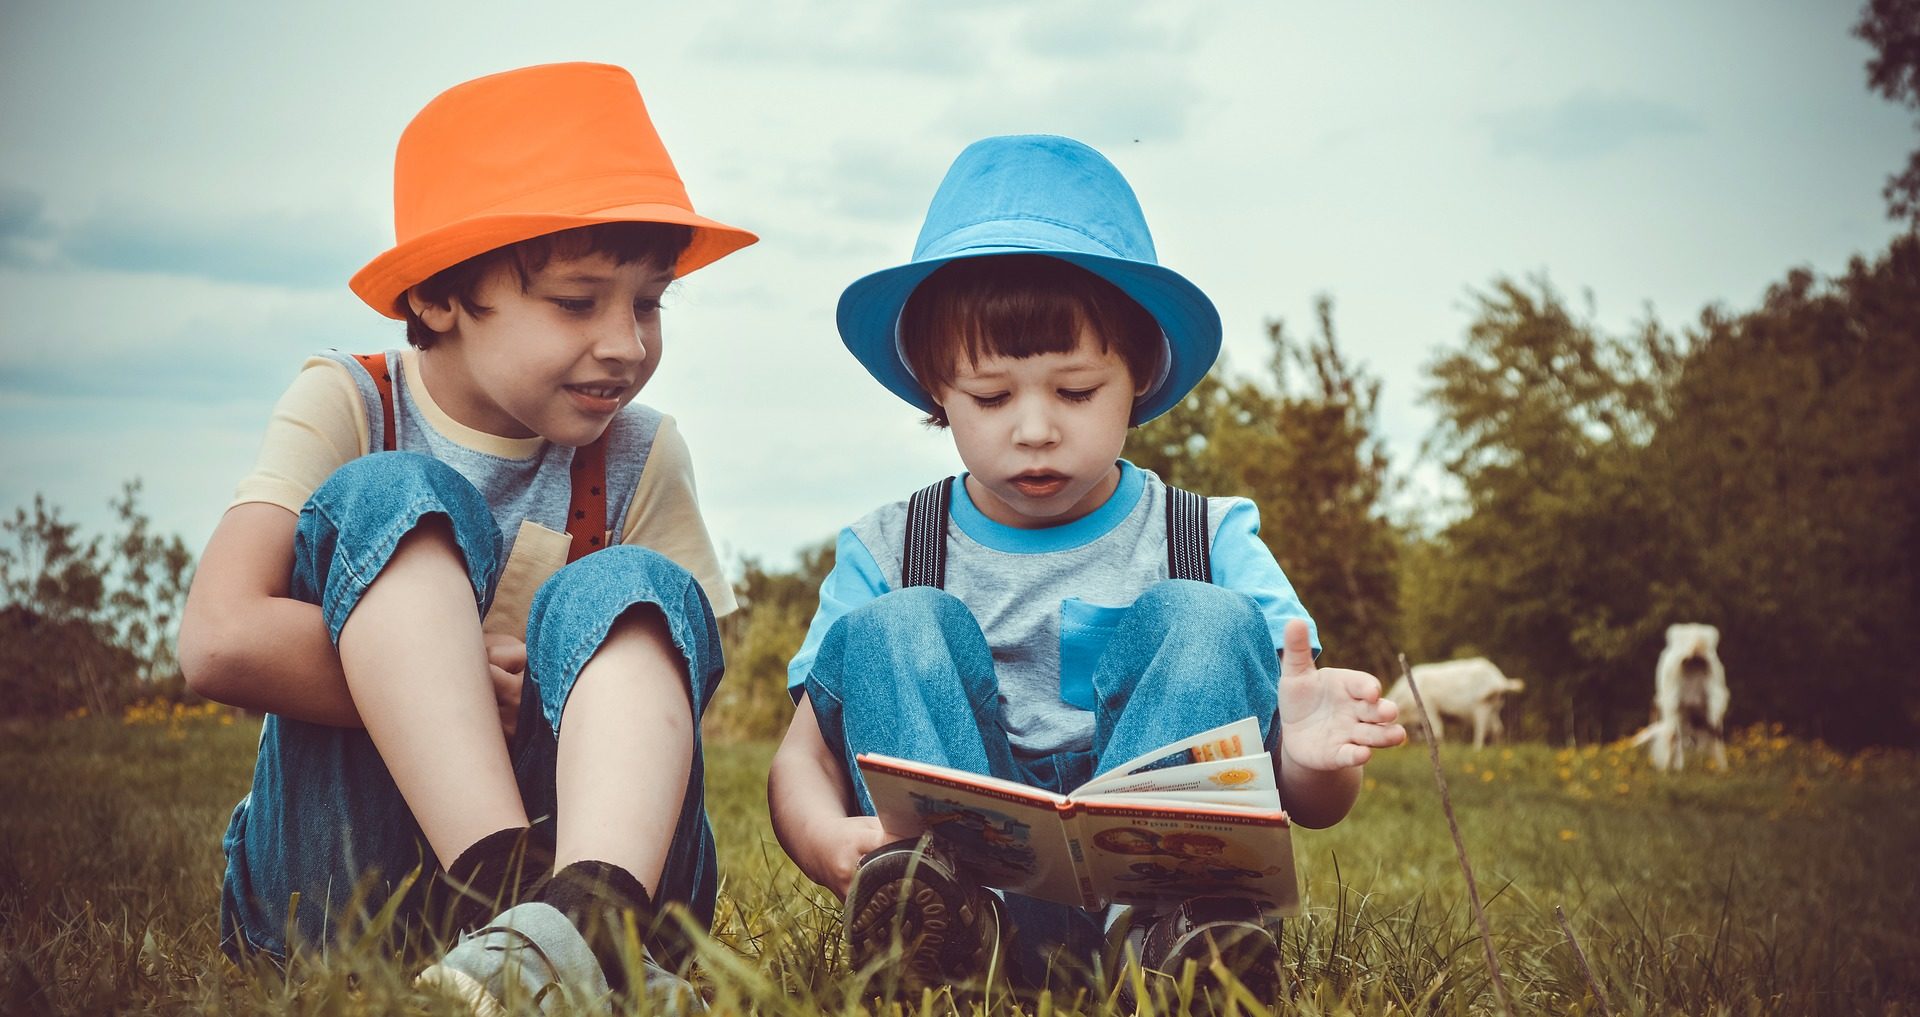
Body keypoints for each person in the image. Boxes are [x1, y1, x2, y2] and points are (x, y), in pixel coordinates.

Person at [766, 135, 1407, 998]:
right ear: (934, 388)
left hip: (1162, 893)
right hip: (967, 892)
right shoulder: (888, 548)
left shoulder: (1208, 536)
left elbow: (1309, 798)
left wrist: (1315, 765)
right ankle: (944, 937)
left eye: (1074, 392)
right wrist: (822, 838)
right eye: (992, 397)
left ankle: (1172, 946)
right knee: (896, 624)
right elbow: (800, 757)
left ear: (1138, 374)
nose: (1035, 429)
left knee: (1208, 617)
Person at [177, 62, 755, 1012]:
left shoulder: (642, 452)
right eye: (579, 302)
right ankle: (520, 908)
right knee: (394, 493)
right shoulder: (352, 402)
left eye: (649, 302)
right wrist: (440, 681)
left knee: (634, 588)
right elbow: (219, 637)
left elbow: (682, 674)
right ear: (441, 297)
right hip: (346, 887)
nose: (626, 342)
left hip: (596, 851)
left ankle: (588, 914)